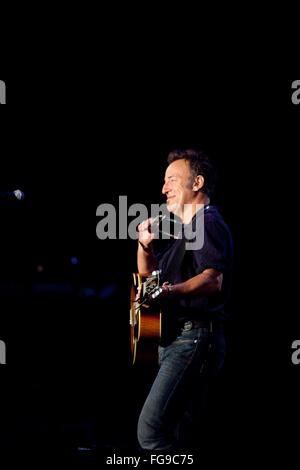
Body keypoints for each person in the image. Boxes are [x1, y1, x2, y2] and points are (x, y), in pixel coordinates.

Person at [136, 149, 234, 451]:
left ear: (197, 182)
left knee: (151, 433)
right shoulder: (185, 233)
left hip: (194, 339)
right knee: (182, 438)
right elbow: (149, 280)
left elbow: (212, 279)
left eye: (172, 180)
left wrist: (170, 292)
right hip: (178, 340)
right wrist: (145, 246)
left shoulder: (208, 223)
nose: (164, 188)